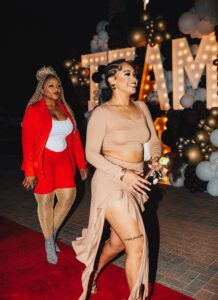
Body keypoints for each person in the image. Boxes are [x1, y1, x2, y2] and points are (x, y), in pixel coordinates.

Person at [72, 59, 162, 299]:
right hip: (112, 180)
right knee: (137, 245)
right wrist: (123, 174)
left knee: (118, 244)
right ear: (112, 80)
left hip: (138, 182)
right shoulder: (102, 113)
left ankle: (92, 273)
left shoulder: (142, 107)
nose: (134, 78)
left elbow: (153, 141)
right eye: (127, 74)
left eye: (134, 73)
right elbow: (91, 153)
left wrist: (154, 160)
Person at [21, 66, 87, 264]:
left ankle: (52, 232)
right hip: (43, 161)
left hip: (63, 161)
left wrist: (81, 164)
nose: (56, 89)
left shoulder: (64, 108)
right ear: (42, 89)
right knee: (46, 202)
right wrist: (30, 172)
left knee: (68, 197)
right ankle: (49, 242)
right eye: (51, 86)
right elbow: (28, 142)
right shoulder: (34, 110)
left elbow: (74, 138)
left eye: (58, 85)